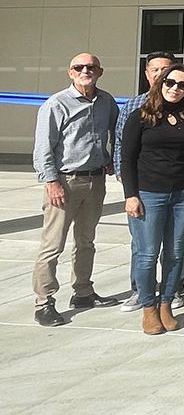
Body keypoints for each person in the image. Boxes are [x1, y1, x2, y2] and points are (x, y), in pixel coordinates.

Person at [32, 53, 121, 327]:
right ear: (70, 73)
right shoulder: (56, 104)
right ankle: (44, 302)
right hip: (64, 182)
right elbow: (43, 147)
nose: (85, 71)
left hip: (95, 182)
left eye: (91, 67)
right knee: (52, 245)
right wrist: (51, 181)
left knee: (86, 242)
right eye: (79, 67)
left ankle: (83, 292)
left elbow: (115, 133)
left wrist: (110, 159)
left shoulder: (106, 101)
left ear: (100, 71)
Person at [121, 62, 184, 335]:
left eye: (182, 85)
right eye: (170, 82)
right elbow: (127, 159)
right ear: (160, 83)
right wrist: (131, 195)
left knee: (176, 254)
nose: (175, 89)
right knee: (147, 255)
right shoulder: (141, 117)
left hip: (183, 194)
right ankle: (148, 308)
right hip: (148, 194)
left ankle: (166, 303)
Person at [115, 51, 175, 313]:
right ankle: (140, 292)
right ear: (147, 74)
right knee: (143, 246)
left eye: (167, 70)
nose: (161, 75)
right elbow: (122, 146)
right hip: (144, 188)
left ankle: (171, 293)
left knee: (175, 247)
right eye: (156, 70)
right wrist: (128, 187)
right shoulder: (133, 106)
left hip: (178, 189)